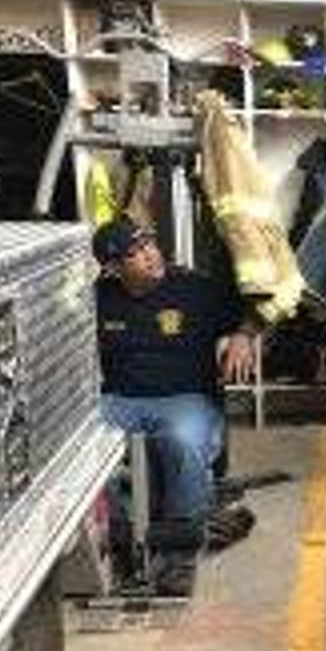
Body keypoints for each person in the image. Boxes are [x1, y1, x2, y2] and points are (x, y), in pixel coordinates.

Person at [93, 216, 255, 596]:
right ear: (114, 268)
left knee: (180, 441)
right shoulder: (98, 298)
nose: (150, 255)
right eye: (134, 253)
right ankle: (118, 536)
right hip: (121, 400)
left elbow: (253, 311)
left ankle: (180, 549)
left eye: (149, 244)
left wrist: (244, 336)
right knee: (85, 446)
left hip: (187, 398)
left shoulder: (195, 290)